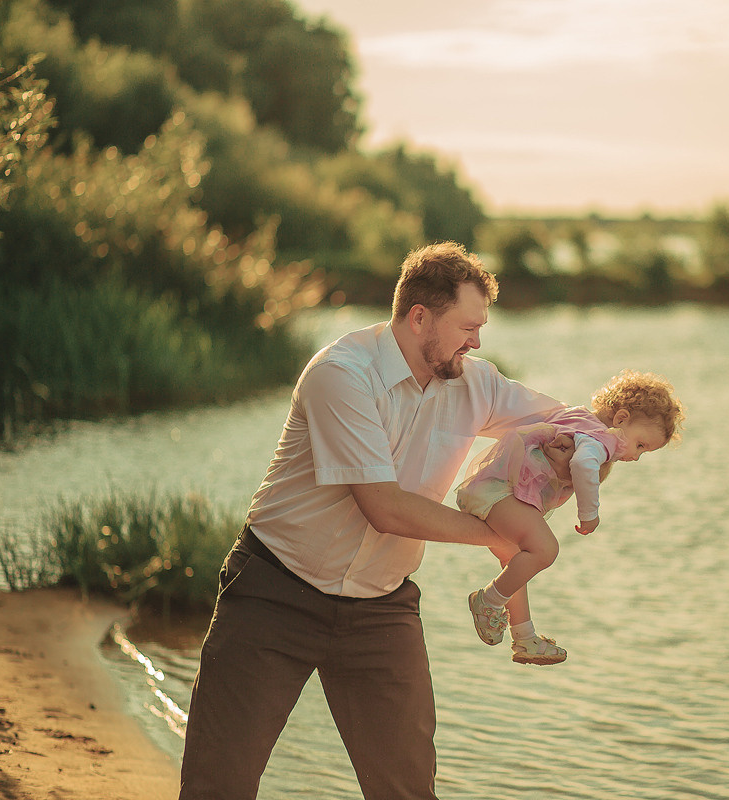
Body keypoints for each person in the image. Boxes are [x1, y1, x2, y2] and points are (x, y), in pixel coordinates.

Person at [179, 243, 575, 800]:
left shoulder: (477, 383)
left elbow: (568, 424)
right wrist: (507, 534)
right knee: (218, 785)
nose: (478, 341)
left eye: (481, 327)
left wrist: (607, 442)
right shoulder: (341, 374)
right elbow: (383, 507)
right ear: (419, 318)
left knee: (407, 790)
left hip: (382, 609)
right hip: (274, 592)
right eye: (468, 326)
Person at [457, 370, 684, 666]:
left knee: (516, 562)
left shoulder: (577, 416)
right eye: (640, 444)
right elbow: (583, 464)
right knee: (545, 550)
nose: (636, 457)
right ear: (621, 419)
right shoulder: (601, 439)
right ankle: (488, 600)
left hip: (492, 487)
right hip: (498, 493)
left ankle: (524, 637)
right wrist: (589, 513)